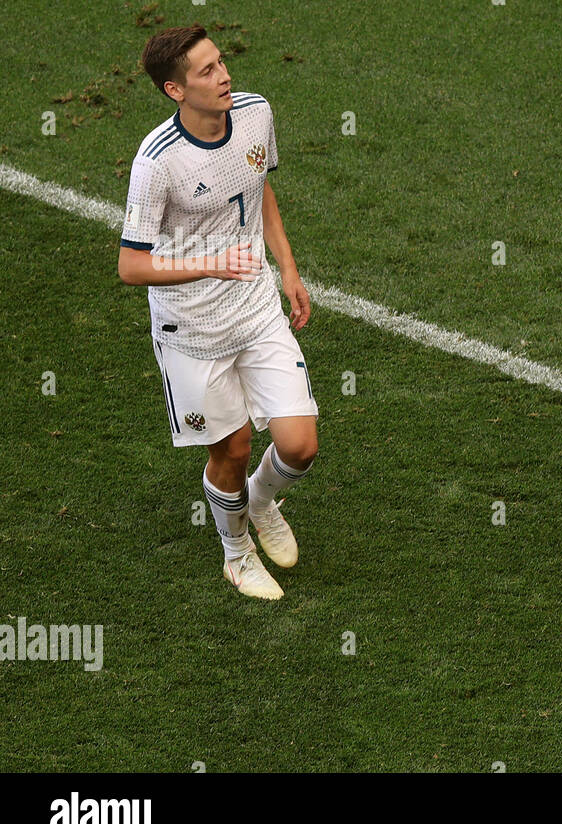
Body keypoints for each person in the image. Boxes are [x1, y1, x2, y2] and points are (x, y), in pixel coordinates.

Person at [117, 25, 318, 600]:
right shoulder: (156, 163)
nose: (224, 75)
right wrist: (209, 263)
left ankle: (259, 501)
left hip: (254, 306)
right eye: (206, 72)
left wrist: (289, 268)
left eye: (221, 62)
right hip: (193, 328)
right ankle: (236, 554)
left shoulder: (255, 113)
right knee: (231, 451)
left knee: (300, 444)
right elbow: (131, 266)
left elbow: (258, 190)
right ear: (174, 90)